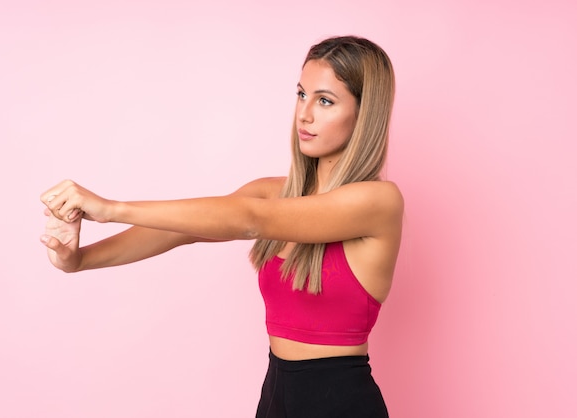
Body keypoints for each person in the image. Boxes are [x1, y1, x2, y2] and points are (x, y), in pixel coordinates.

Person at [40, 35, 402, 418]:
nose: (304, 114)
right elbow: (182, 230)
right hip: (275, 397)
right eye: (301, 95)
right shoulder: (271, 193)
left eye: (325, 101)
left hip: (341, 403)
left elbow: (248, 221)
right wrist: (79, 260)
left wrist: (111, 208)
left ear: (364, 114)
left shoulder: (377, 202)